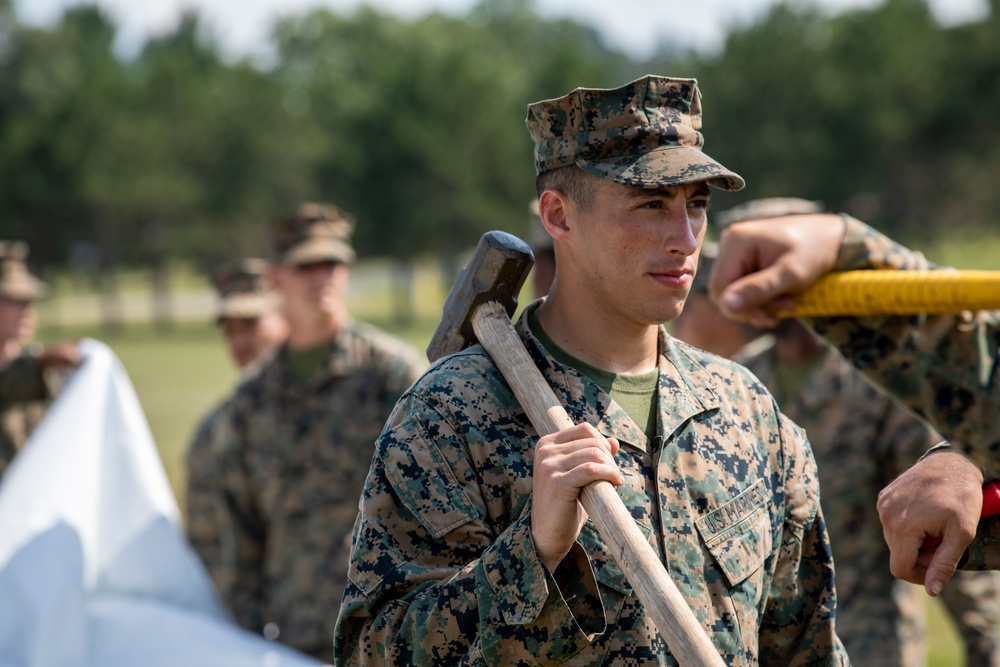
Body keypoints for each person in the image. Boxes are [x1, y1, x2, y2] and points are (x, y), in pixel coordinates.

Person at [335, 75, 848, 665]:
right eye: (651, 204)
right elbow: (370, 654)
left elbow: (807, 645)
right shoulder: (448, 416)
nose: (684, 239)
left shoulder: (748, 411)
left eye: (698, 205)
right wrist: (532, 552)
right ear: (558, 215)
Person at [725, 200, 999, 666]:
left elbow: (952, 520)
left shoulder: (886, 383)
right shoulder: (736, 383)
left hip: (870, 645)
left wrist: (987, 649)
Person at [190, 204, 426, 660]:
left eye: (333, 263)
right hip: (289, 633)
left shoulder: (392, 375)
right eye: (306, 265)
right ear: (276, 277)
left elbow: (434, 498)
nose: (323, 276)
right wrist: (247, 629)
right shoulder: (252, 399)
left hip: (383, 627)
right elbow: (239, 526)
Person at [185, 257, 288, 590]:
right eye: (230, 330)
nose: (239, 342)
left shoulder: (345, 397)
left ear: (285, 317)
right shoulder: (215, 428)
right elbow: (205, 541)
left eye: (250, 324)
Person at [0, 240, 80, 480]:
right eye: (13, 300)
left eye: (28, 300)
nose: (26, 309)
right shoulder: (36, 367)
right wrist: (41, 364)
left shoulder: (44, 369)